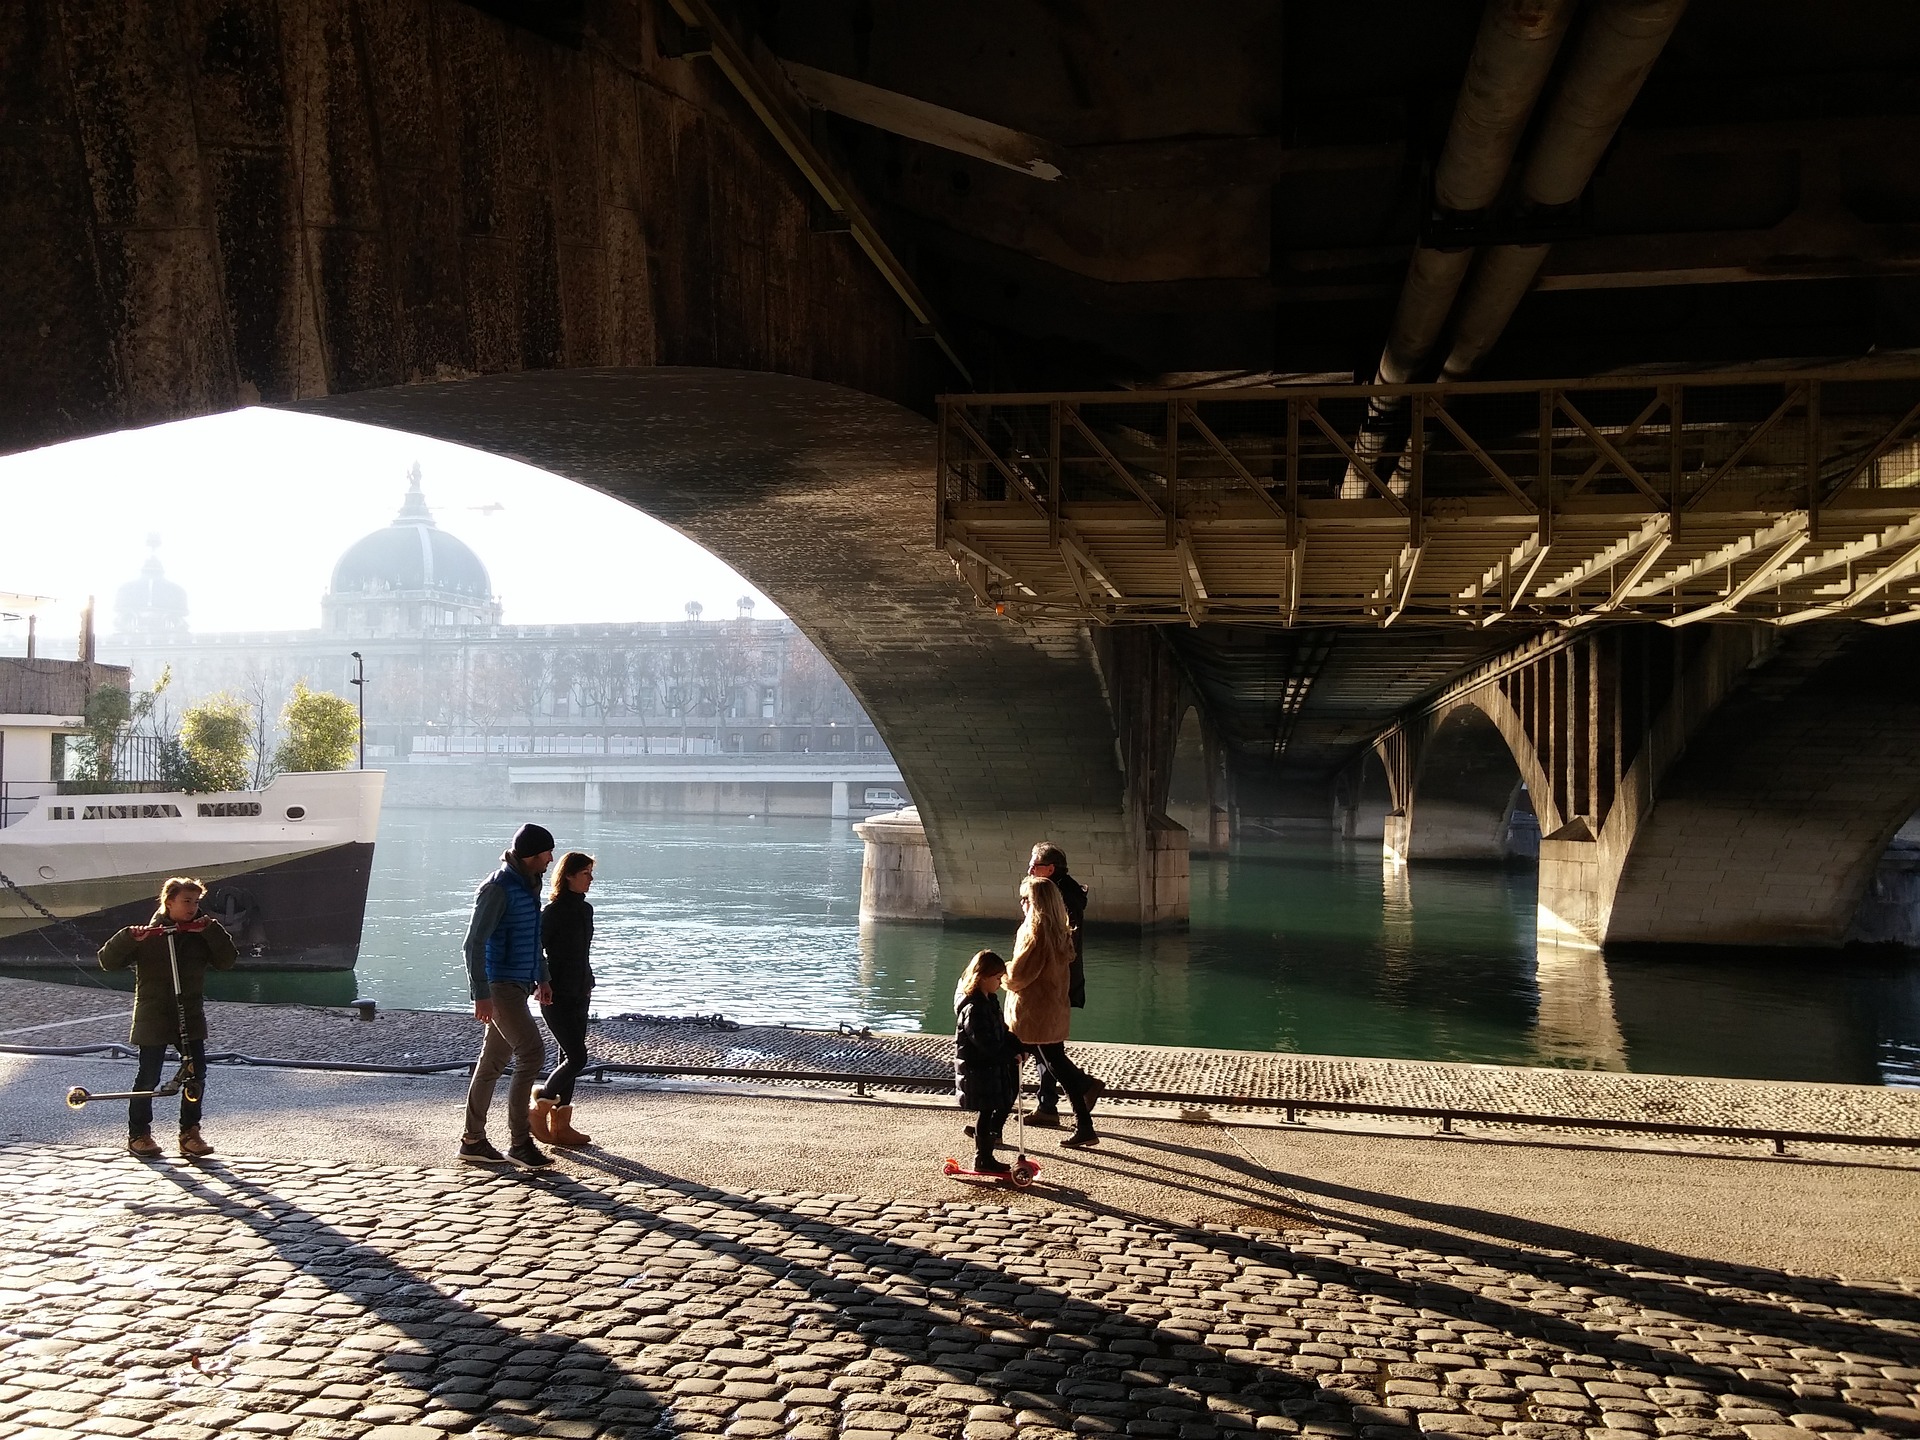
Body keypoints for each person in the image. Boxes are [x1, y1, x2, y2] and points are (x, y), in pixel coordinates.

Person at [98, 876, 238, 1159]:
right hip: (154, 1015)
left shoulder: (202, 931)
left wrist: (211, 931)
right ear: (169, 902)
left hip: (190, 1015)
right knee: (147, 1076)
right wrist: (127, 937)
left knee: (197, 1074)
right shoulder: (148, 935)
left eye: (196, 902)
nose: (192, 907)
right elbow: (107, 961)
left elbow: (227, 960)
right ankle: (139, 1134)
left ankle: (190, 1132)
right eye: (186, 901)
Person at [459, 822, 556, 1167]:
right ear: (530, 854)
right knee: (531, 1053)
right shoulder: (498, 888)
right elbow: (473, 943)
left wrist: (541, 976)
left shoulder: (527, 885)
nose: (551, 859)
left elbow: (532, 938)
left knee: (492, 1063)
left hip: (518, 983)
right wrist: (480, 994)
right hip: (500, 986)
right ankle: (519, 1143)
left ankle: (472, 1141)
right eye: (546, 852)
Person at [1005, 875, 1106, 1148]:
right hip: (1052, 1010)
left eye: (1024, 899)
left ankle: (991, 1128)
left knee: (1009, 1060)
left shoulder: (1034, 932)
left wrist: (1000, 975)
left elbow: (1020, 975)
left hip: (1032, 1013)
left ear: (1034, 903)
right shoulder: (1060, 931)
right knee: (1055, 1063)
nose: (1022, 904)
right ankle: (1082, 1117)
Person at [533, 851, 596, 1149]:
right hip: (555, 995)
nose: (591, 878)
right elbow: (537, 951)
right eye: (585, 872)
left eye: (590, 872)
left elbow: (581, 953)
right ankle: (540, 1103)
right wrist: (541, 982)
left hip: (580, 992)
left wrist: (588, 982)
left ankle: (561, 1126)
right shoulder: (553, 912)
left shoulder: (586, 910)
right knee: (577, 1058)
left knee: (566, 1057)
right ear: (568, 875)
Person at [1025, 842, 1088, 1126]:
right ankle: (1048, 1103)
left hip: (1049, 983)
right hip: (1059, 979)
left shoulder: (1054, 896)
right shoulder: (1068, 893)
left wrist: (1014, 976)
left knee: (1044, 1046)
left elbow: (1044, 943)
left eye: (1035, 865)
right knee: (1046, 1047)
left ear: (1049, 869)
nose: (1029, 870)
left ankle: (1079, 1088)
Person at [952, 950, 1024, 1175]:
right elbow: (985, 1042)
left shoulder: (989, 1001)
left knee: (991, 1110)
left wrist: (1016, 1046)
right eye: (997, 978)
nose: (999, 983)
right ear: (983, 977)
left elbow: (1001, 1031)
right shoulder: (974, 1008)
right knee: (986, 1112)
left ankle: (985, 1155)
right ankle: (983, 1158)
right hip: (978, 1069)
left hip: (989, 1068)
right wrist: (1007, 1055)